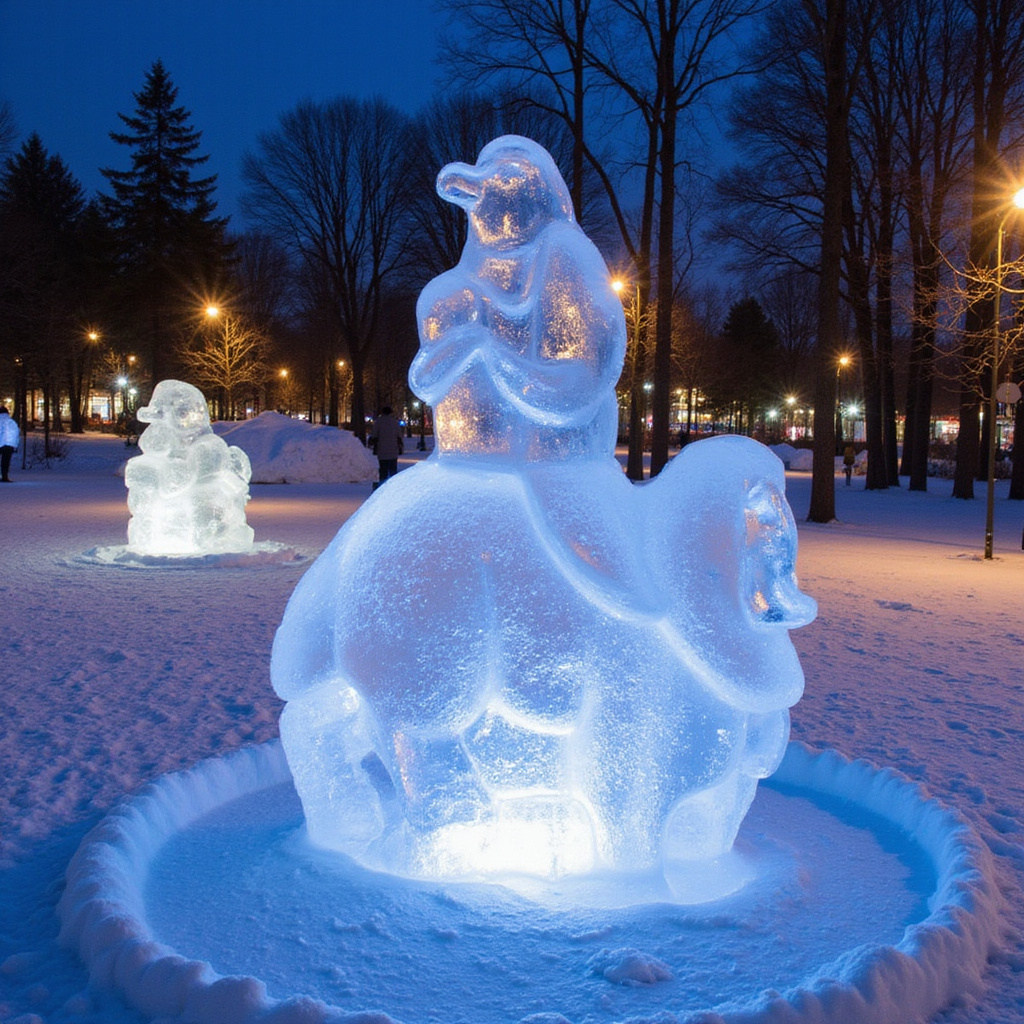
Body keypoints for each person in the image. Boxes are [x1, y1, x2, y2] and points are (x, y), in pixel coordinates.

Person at [369, 406, 404, 489]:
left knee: (383, 471)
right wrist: (400, 447)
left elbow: (374, 435)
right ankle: (393, 488)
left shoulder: (378, 422)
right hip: (393, 450)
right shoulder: (395, 423)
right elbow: (399, 436)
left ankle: (382, 487)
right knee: (392, 471)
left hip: (382, 451)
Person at [0, 406, 19, 482]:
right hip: (9, 445)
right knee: (5, 461)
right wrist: (15, 445)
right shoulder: (12, 422)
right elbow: (16, 434)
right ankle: (5, 476)